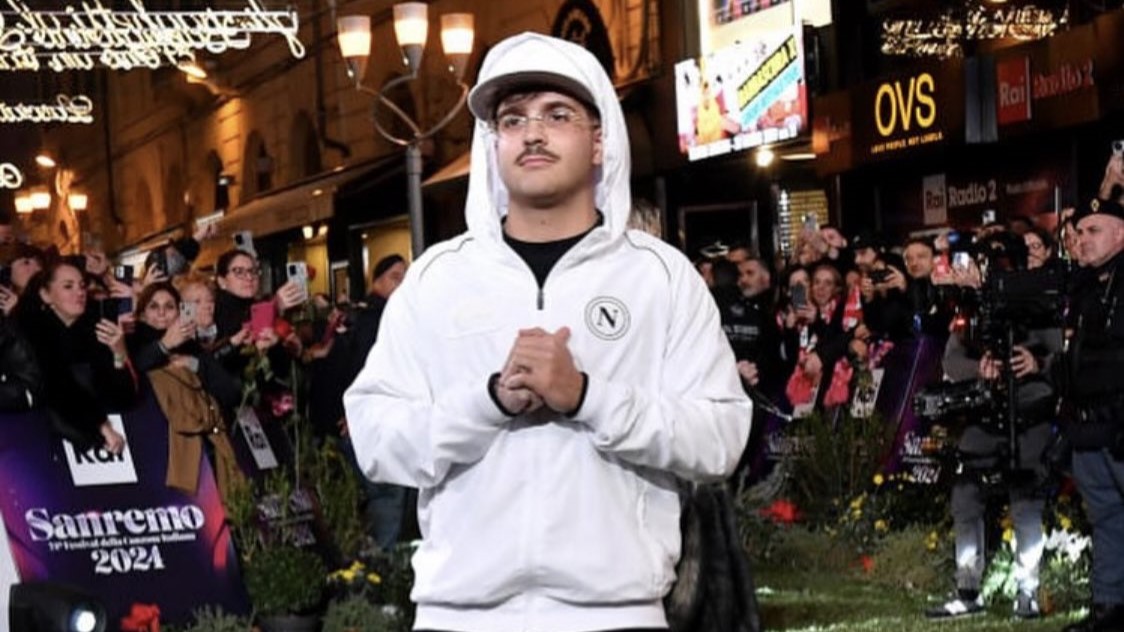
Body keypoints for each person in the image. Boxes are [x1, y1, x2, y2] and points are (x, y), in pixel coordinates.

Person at [344, 32, 751, 632]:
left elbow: (719, 437)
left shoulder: (659, 278)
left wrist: (588, 397)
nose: (532, 133)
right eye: (513, 119)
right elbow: (377, 437)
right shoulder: (437, 279)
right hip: (458, 615)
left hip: (617, 615)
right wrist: (488, 402)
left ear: (599, 139)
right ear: (494, 144)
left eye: (557, 114)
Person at [1059, 195, 1124, 632]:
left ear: (1121, 234)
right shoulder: (1083, 286)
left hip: (1120, 422)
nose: (1083, 238)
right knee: (1105, 518)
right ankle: (1108, 608)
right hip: (1087, 425)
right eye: (1079, 232)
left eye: (1093, 230)